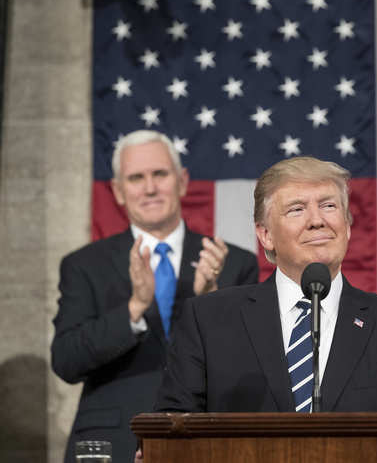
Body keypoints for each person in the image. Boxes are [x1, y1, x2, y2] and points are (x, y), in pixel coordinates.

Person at [151, 156, 377, 462]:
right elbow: (170, 424)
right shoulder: (209, 319)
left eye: (329, 205)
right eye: (297, 209)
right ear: (265, 235)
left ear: (347, 224)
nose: (317, 219)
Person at [51, 130, 259, 463]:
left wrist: (210, 298)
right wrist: (134, 308)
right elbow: (65, 361)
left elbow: (249, 368)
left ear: (182, 181)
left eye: (160, 174)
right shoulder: (83, 265)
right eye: (136, 178)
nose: (149, 188)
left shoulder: (234, 263)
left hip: (206, 442)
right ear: (118, 191)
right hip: (111, 445)